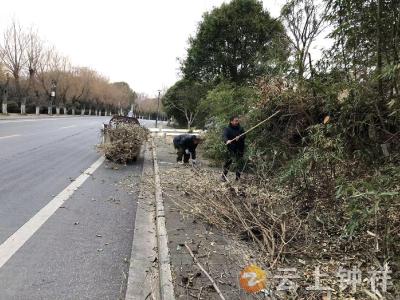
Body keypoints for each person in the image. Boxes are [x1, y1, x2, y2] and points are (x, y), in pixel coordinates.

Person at [222, 116, 245, 181]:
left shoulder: (241, 128)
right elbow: (224, 136)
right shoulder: (227, 129)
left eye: (237, 121)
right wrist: (227, 141)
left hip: (240, 148)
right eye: (235, 121)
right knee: (228, 161)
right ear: (231, 121)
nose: (237, 122)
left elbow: (244, 135)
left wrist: (240, 137)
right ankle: (223, 176)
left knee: (239, 162)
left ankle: (237, 178)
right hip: (231, 148)